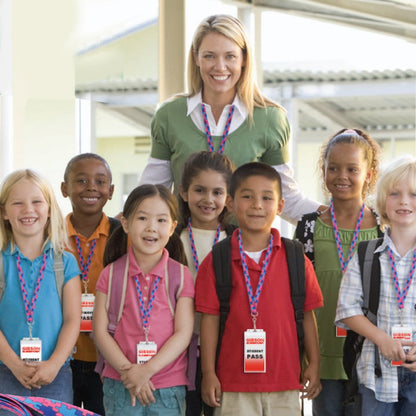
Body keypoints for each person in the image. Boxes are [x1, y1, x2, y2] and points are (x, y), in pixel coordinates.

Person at [139, 14, 320, 224]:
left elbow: (287, 199)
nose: (220, 66)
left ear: (244, 59)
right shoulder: (170, 115)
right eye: (209, 56)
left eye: (230, 56)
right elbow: (152, 195)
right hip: (183, 249)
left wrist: (341, 217)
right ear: (196, 57)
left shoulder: (270, 119)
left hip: (243, 250)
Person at [195, 162, 323, 415]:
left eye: (267, 197)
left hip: (285, 383)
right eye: (247, 196)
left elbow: (308, 316)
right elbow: (208, 322)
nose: (257, 205)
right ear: (230, 204)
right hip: (232, 385)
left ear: (280, 206)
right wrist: (208, 373)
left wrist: (314, 363)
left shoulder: (296, 258)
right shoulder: (216, 260)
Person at [295, 128, 382, 416]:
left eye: (352, 169)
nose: (341, 176)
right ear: (324, 171)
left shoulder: (385, 228)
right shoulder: (309, 227)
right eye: (333, 168)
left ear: (368, 174)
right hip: (323, 357)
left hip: (370, 357)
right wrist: (303, 358)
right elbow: (298, 297)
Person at [93, 184, 195, 416]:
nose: (151, 228)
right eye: (142, 218)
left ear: (172, 228)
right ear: (126, 223)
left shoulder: (180, 275)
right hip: (121, 384)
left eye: (161, 220)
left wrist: (147, 370)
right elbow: (100, 332)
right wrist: (130, 373)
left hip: (167, 387)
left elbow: (183, 333)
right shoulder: (110, 274)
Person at [335, 155, 416, 415]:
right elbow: (347, 308)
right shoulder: (366, 255)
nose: (404, 201)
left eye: (414, 194)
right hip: (375, 376)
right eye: (395, 193)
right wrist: (381, 338)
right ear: (382, 201)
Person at [0, 169, 81, 403]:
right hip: (6, 372)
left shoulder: (65, 262)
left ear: (48, 209)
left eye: (37, 201)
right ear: (4, 212)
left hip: (55, 373)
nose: (28, 210)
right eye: (17, 203)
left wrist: (54, 364)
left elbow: (72, 320)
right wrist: (15, 365)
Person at [177, 151, 235, 415]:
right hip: (178, 349)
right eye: (200, 190)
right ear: (183, 191)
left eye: (217, 192)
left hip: (224, 349)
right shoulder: (170, 239)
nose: (208, 200)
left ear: (228, 198)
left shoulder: (235, 240)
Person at [61, 153, 118, 414]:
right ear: (64, 189)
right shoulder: (52, 235)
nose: (91, 187)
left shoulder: (123, 236)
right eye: (81, 180)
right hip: (62, 357)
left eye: (100, 181)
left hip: (107, 359)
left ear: (111, 191)